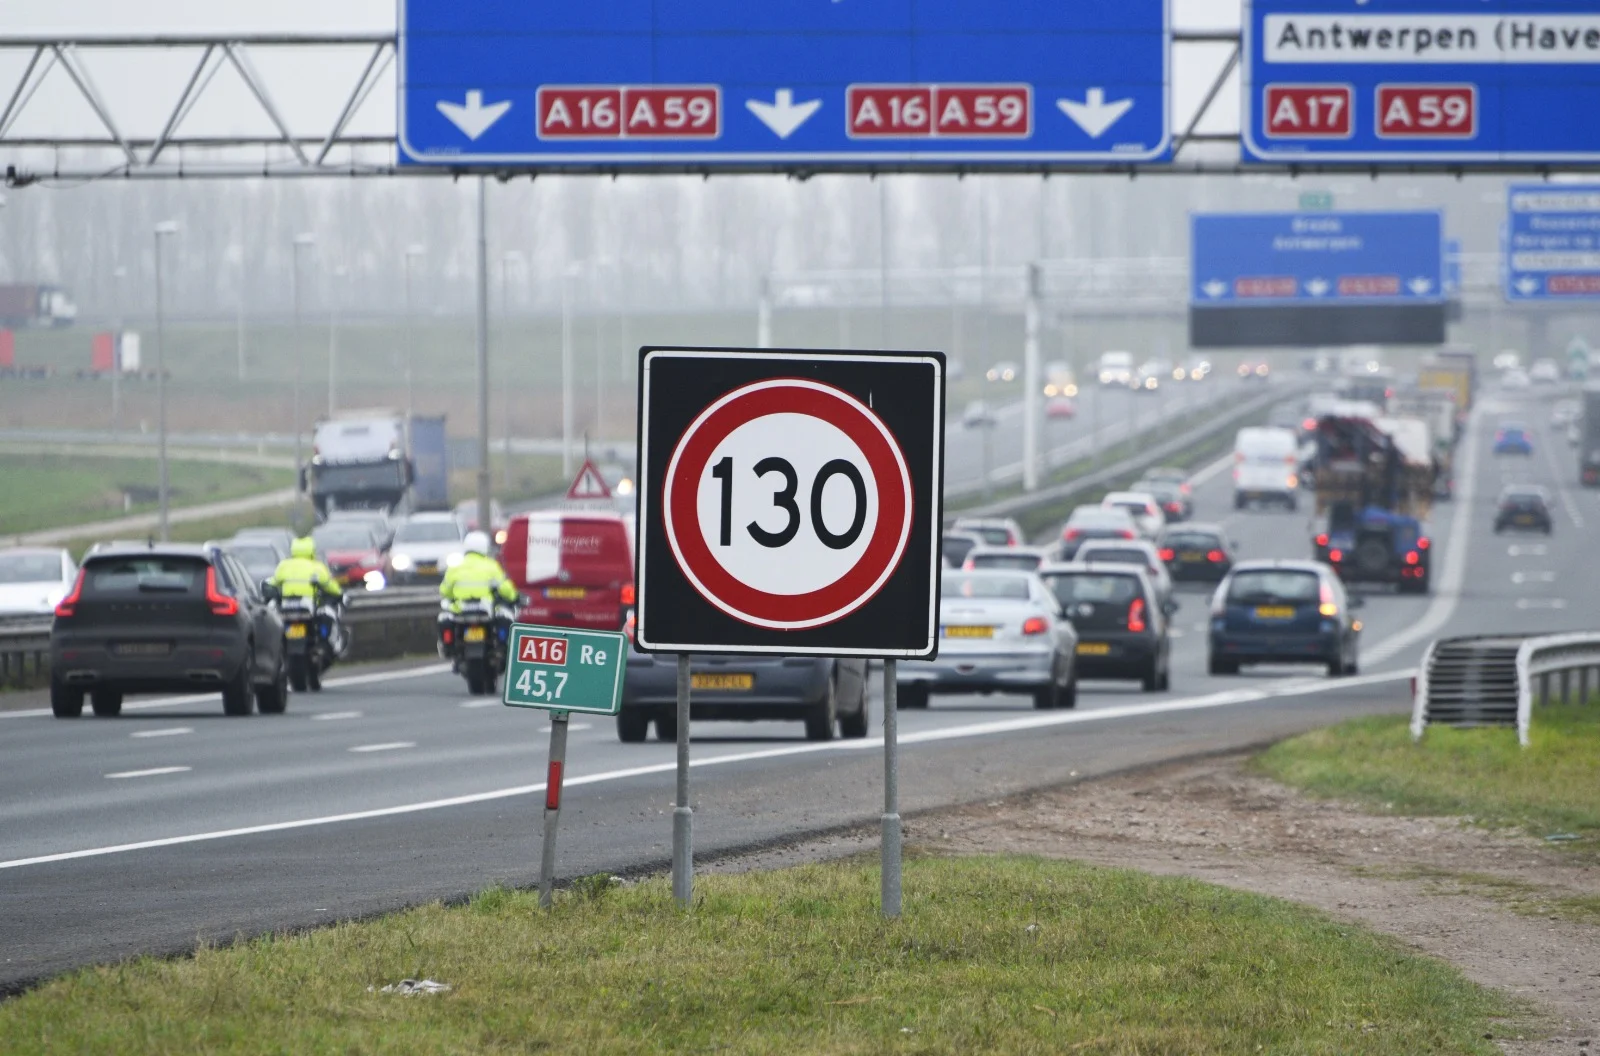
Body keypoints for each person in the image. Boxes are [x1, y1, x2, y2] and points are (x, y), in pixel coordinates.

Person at [269, 536, 347, 654]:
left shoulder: (284, 566)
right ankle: (330, 646)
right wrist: (339, 593)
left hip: (287, 608)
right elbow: (330, 586)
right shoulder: (317, 566)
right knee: (326, 618)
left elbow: (273, 583)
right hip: (308, 608)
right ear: (312, 551)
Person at [439, 530, 519, 612]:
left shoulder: (455, 566)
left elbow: (445, 591)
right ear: (485, 547)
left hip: (461, 610)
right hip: (486, 610)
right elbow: (505, 588)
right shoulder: (491, 565)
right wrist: (514, 597)